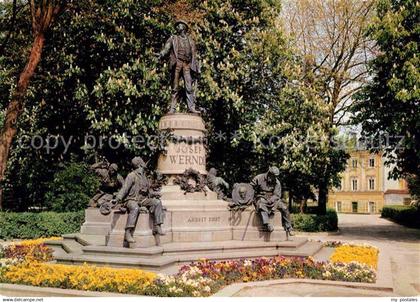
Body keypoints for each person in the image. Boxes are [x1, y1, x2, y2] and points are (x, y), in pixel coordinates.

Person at [113, 157, 165, 243]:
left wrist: (155, 194)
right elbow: (124, 188)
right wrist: (118, 198)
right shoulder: (131, 175)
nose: (145, 163)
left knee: (157, 202)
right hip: (131, 199)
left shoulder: (145, 177)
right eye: (143, 161)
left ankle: (157, 226)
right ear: (140, 164)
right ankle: (128, 232)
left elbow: (148, 191)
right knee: (135, 208)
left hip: (143, 200)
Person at [157, 20, 200, 114]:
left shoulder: (190, 40)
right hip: (177, 64)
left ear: (184, 27)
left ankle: (191, 108)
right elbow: (166, 48)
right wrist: (161, 54)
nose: (177, 27)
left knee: (189, 87)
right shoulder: (173, 38)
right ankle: (172, 108)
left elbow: (194, 55)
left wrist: (196, 67)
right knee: (175, 87)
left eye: (179, 25)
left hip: (187, 65)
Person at [250, 166, 294, 236]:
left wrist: (272, 199)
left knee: (284, 207)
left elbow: (277, 195)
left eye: (275, 176)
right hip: (261, 197)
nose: (273, 178)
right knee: (261, 205)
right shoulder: (258, 178)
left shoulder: (277, 182)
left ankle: (289, 227)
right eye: (272, 176)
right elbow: (250, 187)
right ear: (268, 173)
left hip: (273, 199)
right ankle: (267, 224)